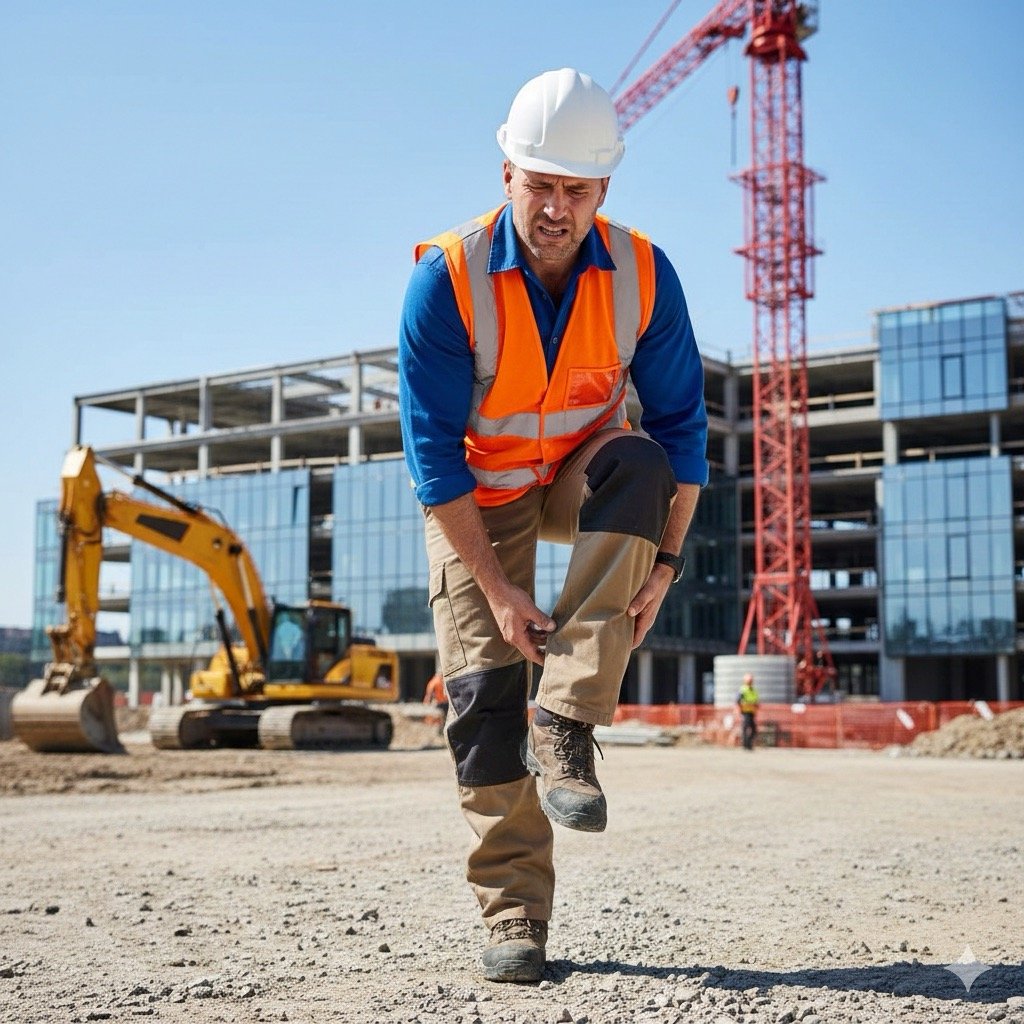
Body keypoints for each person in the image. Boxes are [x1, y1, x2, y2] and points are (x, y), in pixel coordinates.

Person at [398, 67, 708, 983]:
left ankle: (569, 718)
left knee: (640, 460)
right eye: (541, 184)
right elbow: (433, 460)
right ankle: (515, 915)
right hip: (477, 499)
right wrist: (498, 593)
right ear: (506, 175)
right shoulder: (445, 282)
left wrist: (667, 566)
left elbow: (684, 431)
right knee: (484, 709)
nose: (557, 207)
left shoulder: (645, 274)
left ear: (604, 190)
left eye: (577, 189)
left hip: (578, 471)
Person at [737, 672, 760, 750]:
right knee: (745, 728)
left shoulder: (754, 690)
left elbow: (756, 700)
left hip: (752, 712)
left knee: (754, 729)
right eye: (749, 680)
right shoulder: (743, 689)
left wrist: (756, 706)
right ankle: (745, 745)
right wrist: (740, 710)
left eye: (751, 680)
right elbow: (738, 701)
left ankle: (749, 743)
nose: (750, 681)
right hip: (745, 712)